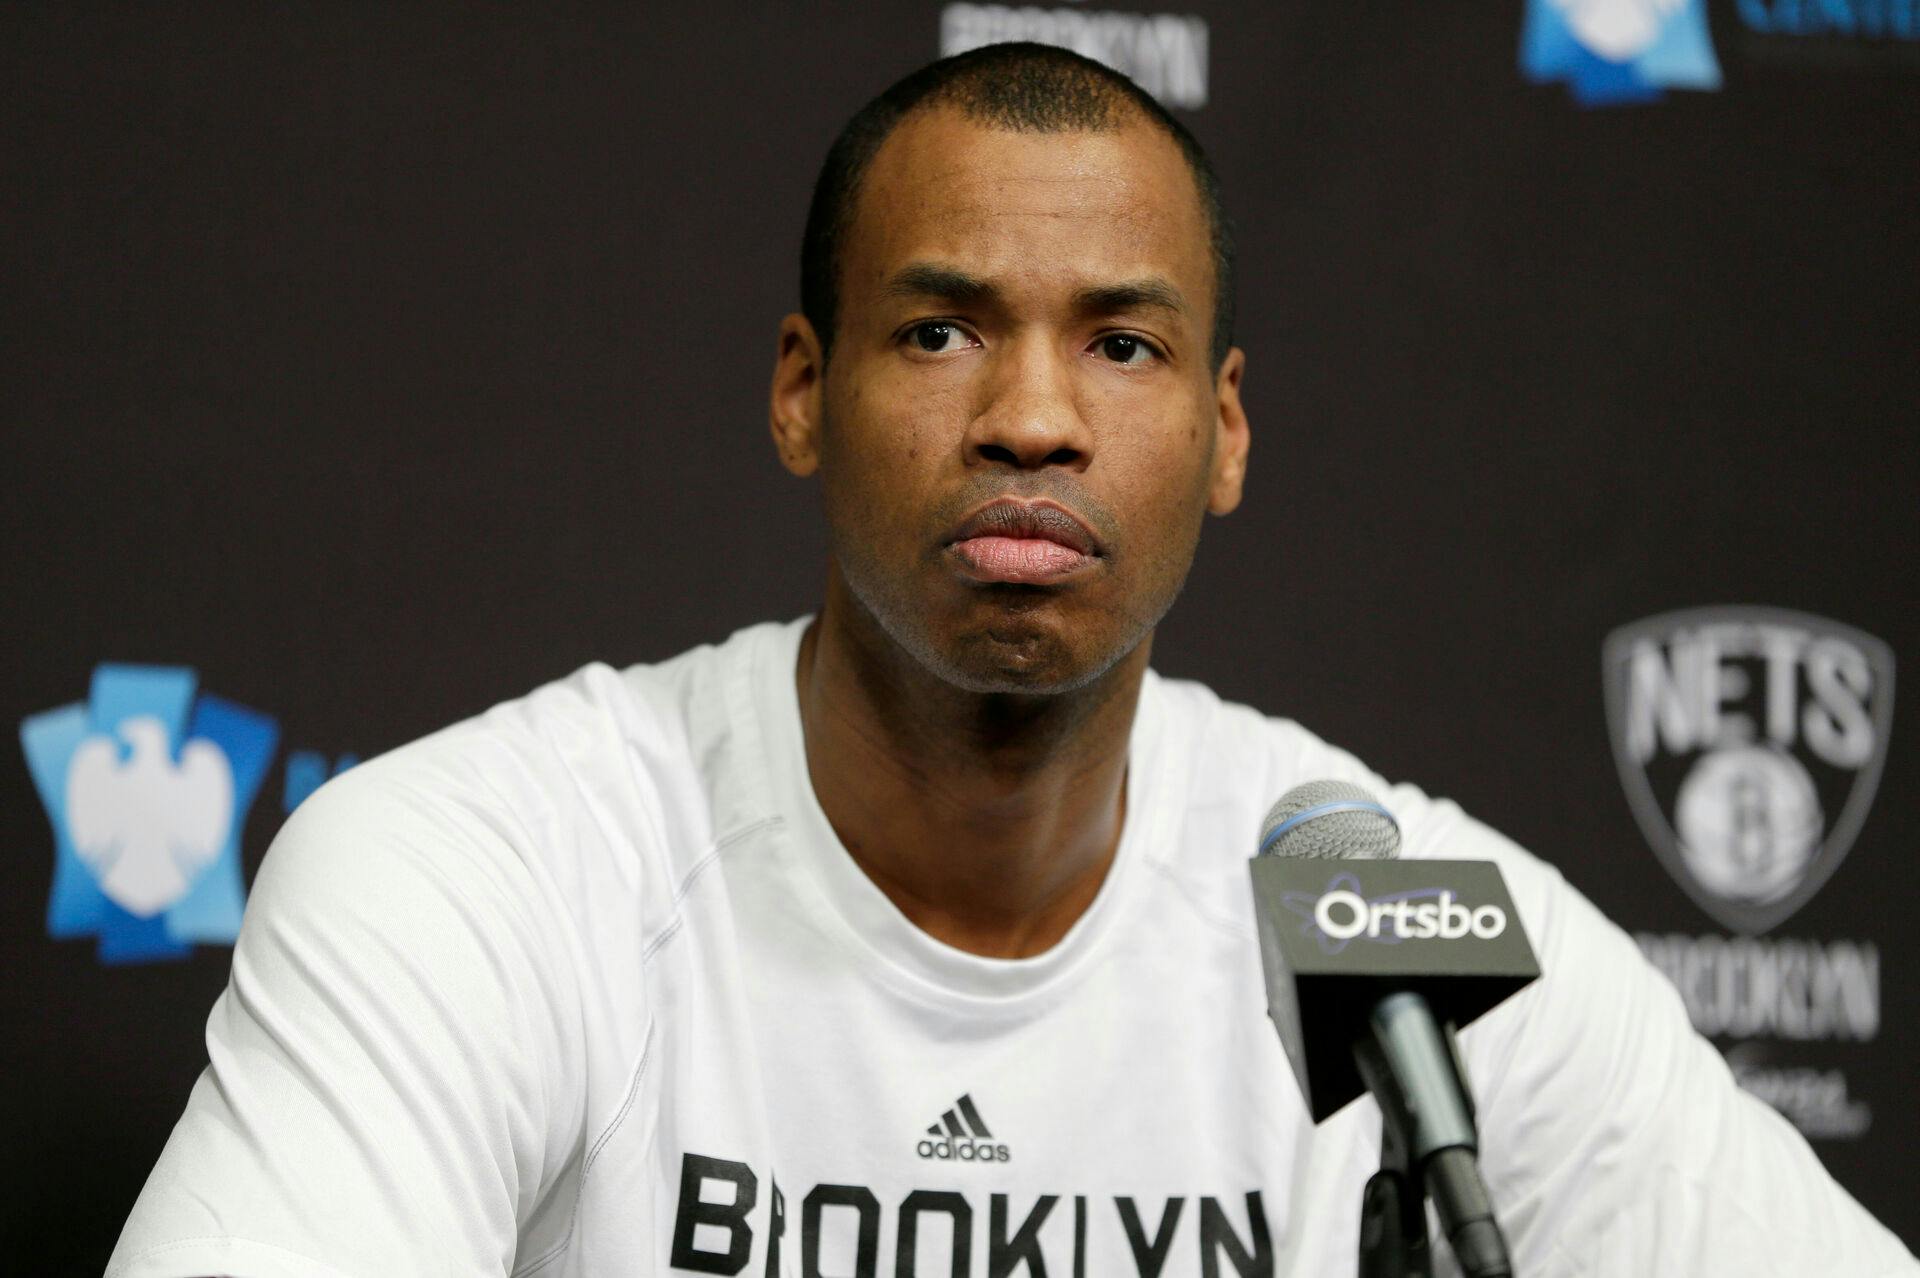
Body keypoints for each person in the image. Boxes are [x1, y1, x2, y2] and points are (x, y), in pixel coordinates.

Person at [107, 43, 1913, 1278]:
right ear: (805, 391)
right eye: (944, 325)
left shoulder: (1392, 923)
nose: (1033, 415)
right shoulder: (488, 863)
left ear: (1224, 433)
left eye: (1122, 346)